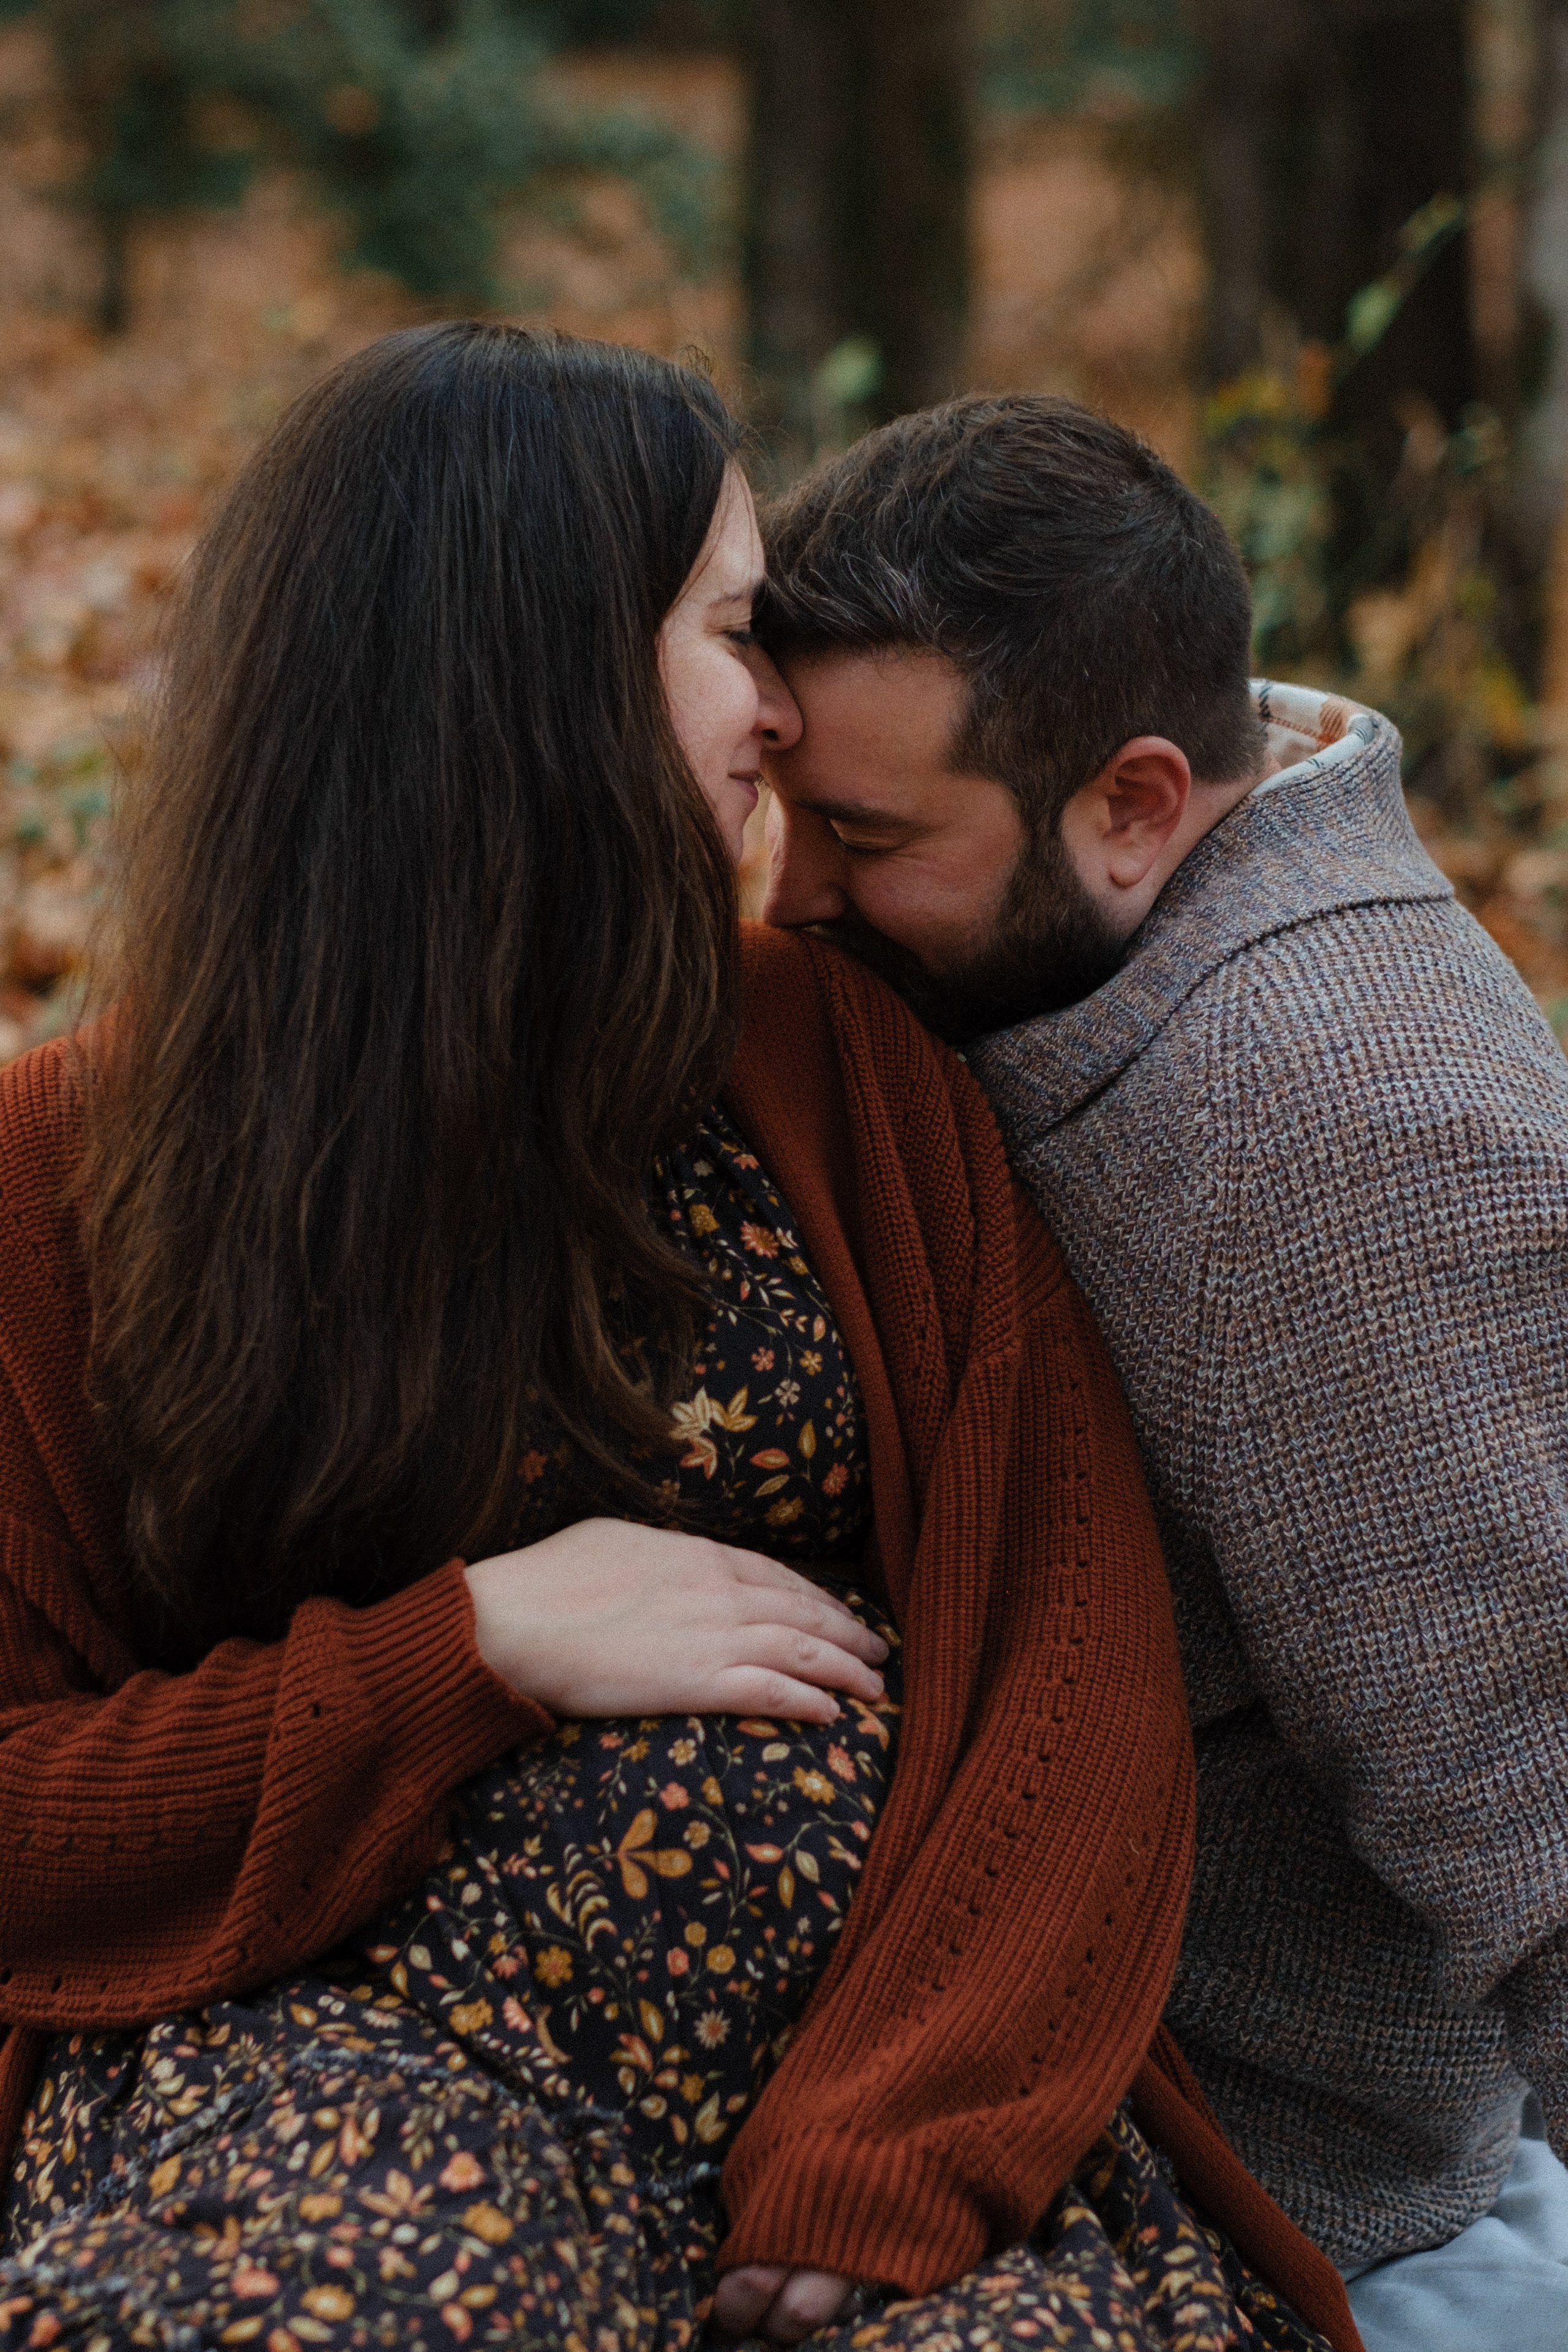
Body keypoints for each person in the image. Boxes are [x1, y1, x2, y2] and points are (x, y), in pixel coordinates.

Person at [0, 326, 1356, 2352]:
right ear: (532, 672)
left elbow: (1066, 1670)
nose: (782, 709)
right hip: (365, 2088)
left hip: (873, 2100)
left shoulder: (836, 1063)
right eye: (733, 629)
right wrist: (465, 1648)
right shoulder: (66, 1178)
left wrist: (888, 2163)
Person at [756, 390, 1568, 2352]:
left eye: (866, 837)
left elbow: (1538, 1798)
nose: (792, 893)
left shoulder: (1333, 1126)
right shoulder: (1098, 931)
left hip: (1251, 2190)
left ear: (1132, 801)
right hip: (959, 2087)